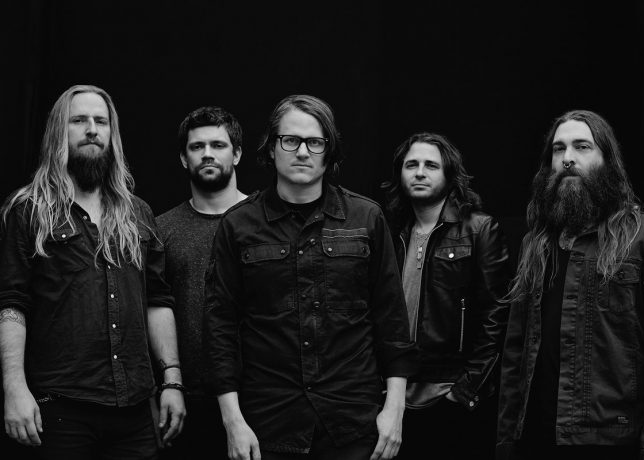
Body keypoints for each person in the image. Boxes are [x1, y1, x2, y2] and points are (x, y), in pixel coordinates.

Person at [203, 94, 416, 460]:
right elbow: (219, 326)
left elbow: (392, 318)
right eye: (291, 140)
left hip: (353, 420)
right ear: (271, 148)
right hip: (269, 422)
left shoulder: (366, 218)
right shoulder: (238, 225)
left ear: (329, 151)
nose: (302, 152)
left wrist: (394, 410)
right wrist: (232, 421)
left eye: (315, 142)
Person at [0, 84, 186, 459]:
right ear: (59, 131)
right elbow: (11, 303)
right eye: (79, 120)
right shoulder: (29, 210)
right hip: (60, 408)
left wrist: (172, 381)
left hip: (135, 408)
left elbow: (158, 300)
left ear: (111, 134)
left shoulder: (138, 213)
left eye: (101, 121)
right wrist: (14, 388)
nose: (91, 130)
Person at [497, 110, 644, 460]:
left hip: (613, 441)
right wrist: (507, 438)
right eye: (558, 149)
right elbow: (515, 351)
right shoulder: (535, 243)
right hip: (536, 437)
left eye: (582, 146)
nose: (567, 158)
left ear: (607, 160)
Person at [381, 132, 510, 459]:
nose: (419, 172)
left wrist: (465, 389)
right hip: (392, 394)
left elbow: (497, 316)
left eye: (431, 165)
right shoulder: (388, 230)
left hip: (449, 393)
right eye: (411, 165)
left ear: (449, 175)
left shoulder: (479, 229)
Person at [157, 106, 247, 459]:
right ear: (184, 158)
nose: (207, 153)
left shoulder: (266, 221)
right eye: (197, 147)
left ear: (236, 154)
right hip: (185, 399)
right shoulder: (162, 229)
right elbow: (154, 308)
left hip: (258, 396)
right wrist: (171, 382)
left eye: (218, 145)